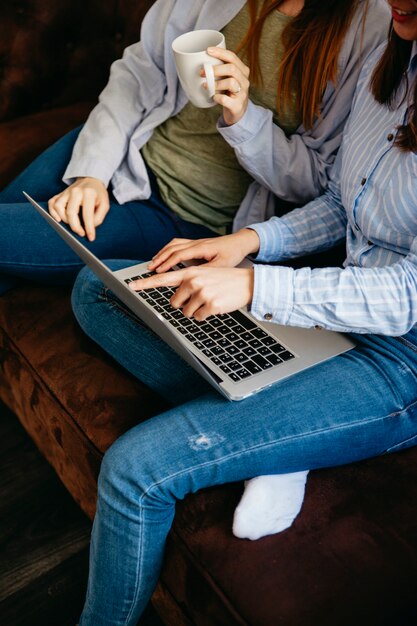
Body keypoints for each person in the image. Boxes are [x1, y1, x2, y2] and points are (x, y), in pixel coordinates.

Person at [71, 1, 417, 622]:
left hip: (398, 360)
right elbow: (342, 203)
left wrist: (258, 286)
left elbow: (407, 297)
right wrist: (246, 244)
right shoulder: (392, 66)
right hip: (334, 307)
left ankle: (283, 436)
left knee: (135, 474)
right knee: (104, 290)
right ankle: (283, 435)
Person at [0, 0, 388, 539]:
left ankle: (276, 445)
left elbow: (321, 185)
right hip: (124, 156)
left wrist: (243, 116)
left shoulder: (370, 26)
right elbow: (139, 70)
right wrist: (91, 172)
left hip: (177, 217)